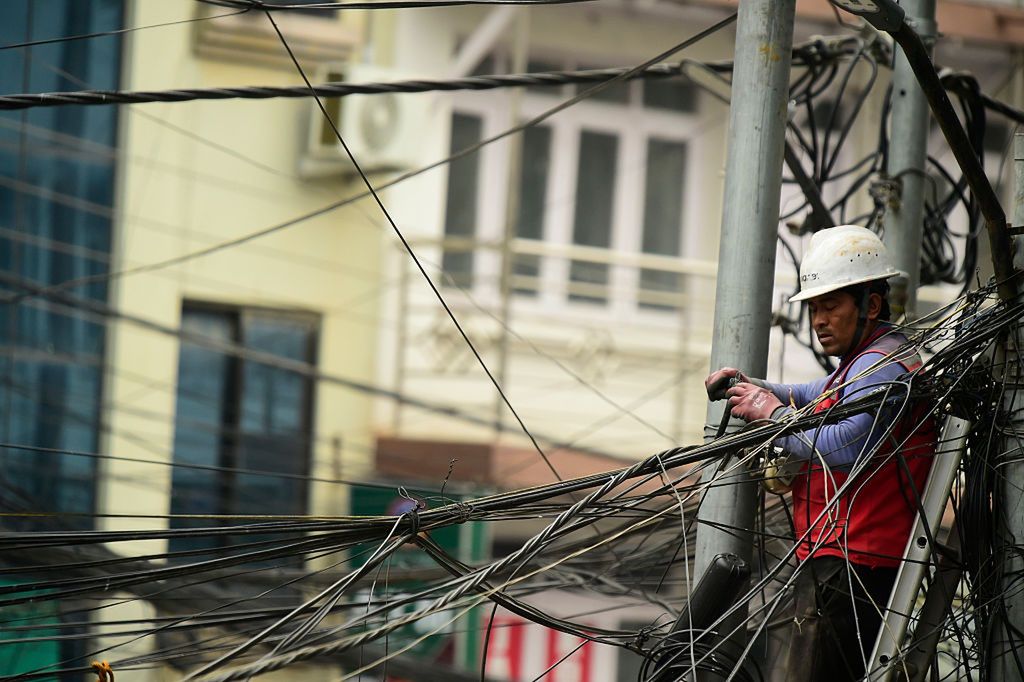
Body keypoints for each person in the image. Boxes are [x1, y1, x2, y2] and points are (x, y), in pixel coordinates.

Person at [704, 225, 937, 681]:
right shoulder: (867, 361)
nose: (818, 320)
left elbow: (846, 444)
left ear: (870, 305)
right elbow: (813, 394)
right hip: (842, 561)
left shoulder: (883, 364)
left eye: (830, 306)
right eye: (814, 308)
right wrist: (759, 387)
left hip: (855, 566)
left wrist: (772, 415)